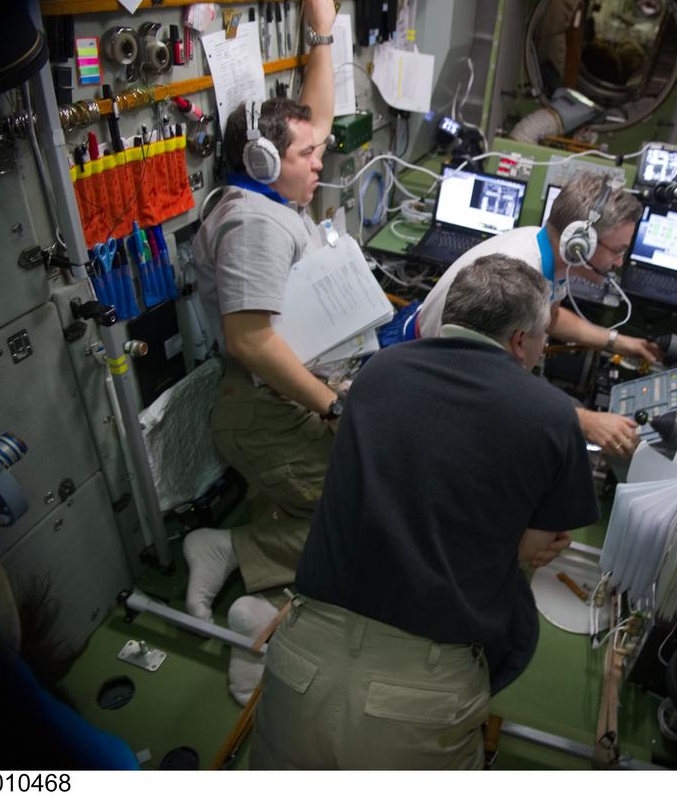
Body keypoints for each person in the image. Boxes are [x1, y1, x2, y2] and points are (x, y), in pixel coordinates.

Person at [250, 255, 600, 769]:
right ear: (521, 341)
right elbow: (532, 548)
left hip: (298, 658)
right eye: (545, 338)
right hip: (421, 695)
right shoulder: (551, 416)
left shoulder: (378, 374)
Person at [183, 0, 339, 634]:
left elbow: (320, 119)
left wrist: (323, 36)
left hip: (284, 400)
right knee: (361, 506)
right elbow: (250, 341)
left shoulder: (274, 195)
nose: (321, 159)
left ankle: (267, 550)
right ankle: (228, 547)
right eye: (308, 154)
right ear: (267, 165)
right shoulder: (252, 222)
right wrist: (333, 406)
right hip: (262, 411)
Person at [417, 170, 664, 457]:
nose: (620, 262)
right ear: (581, 241)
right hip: (450, 393)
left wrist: (618, 341)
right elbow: (486, 386)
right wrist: (586, 421)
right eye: (617, 251)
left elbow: (552, 318)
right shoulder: (515, 280)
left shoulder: (545, 248)